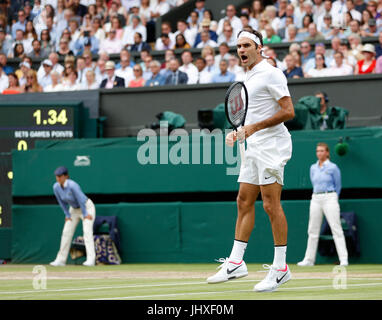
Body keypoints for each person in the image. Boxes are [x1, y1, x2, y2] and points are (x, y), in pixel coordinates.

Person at [206, 29, 295, 293]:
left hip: (272, 146)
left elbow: (289, 111)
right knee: (243, 201)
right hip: (252, 146)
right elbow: (251, 114)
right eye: (238, 47)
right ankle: (236, 262)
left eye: (246, 45)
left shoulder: (271, 73)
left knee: (270, 204)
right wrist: (240, 132)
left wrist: (253, 128)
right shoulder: (246, 76)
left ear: (259, 47)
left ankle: (281, 269)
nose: (241, 50)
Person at [297, 142, 349, 267]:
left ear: (327, 153)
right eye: (317, 151)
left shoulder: (333, 167)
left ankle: (343, 259)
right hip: (315, 198)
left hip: (330, 197)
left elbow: (338, 185)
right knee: (312, 230)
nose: (319, 153)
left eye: (321, 151)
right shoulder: (313, 168)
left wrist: (334, 197)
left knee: (336, 229)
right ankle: (309, 259)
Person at [50, 166, 96, 267]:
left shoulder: (73, 185)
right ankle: (60, 260)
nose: (58, 178)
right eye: (57, 176)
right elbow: (61, 202)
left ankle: (91, 260)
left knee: (87, 232)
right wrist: (67, 214)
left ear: (66, 176)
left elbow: (80, 199)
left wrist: (85, 214)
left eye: (60, 176)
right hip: (73, 210)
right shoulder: (56, 187)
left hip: (86, 207)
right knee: (66, 232)